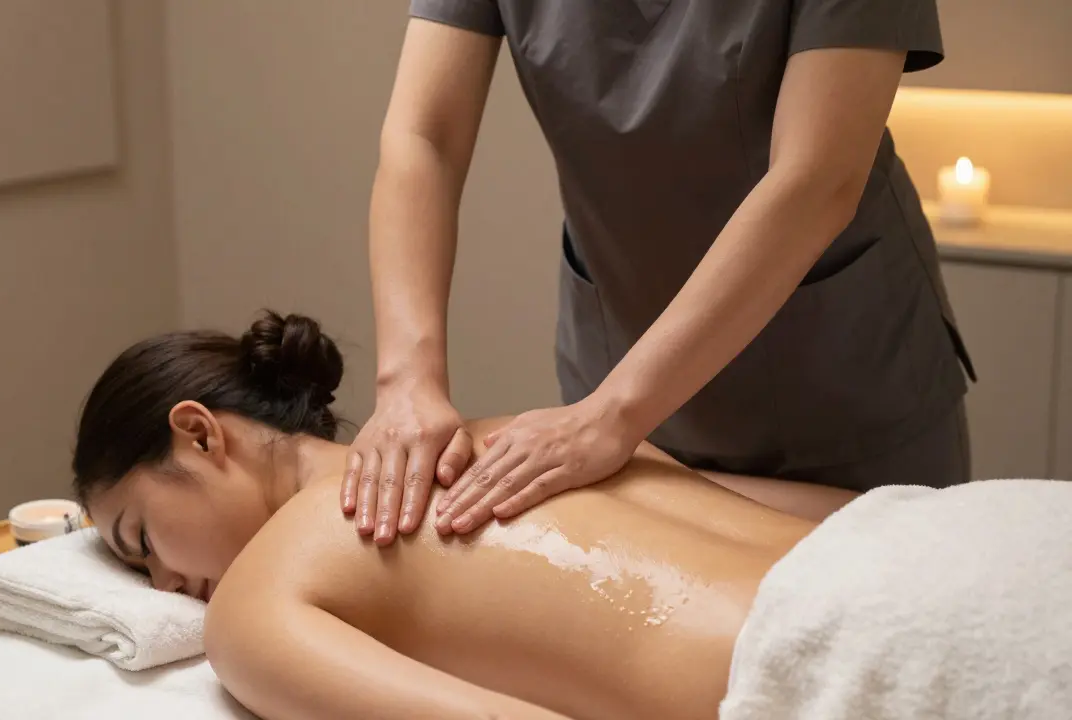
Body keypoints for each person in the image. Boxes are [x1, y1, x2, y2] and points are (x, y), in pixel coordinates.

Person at [72, 312, 1069, 720]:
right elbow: (841, 515)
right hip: (987, 545)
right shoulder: (529, 433)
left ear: (199, 433)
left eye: (138, 539)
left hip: (865, 663)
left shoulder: (254, 602)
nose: (162, 583)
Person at [345, 0, 978, 546]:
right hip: (616, 368)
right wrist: (407, 380)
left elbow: (817, 181)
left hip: (837, 388)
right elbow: (424, 137)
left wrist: (614, 416)